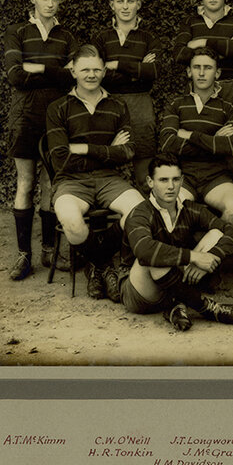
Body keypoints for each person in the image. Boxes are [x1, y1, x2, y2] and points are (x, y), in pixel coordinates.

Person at [45, 45, 146, 300]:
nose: (91, 74)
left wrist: (86, 148)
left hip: (109, 179)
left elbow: (129, 151)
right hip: (71, 181)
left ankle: (95, 264)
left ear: (104, 71)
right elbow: (60, 160)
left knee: (141, 212)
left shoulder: (118, 105)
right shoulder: (57, 108)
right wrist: (108, 151)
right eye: (85, 69)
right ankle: (103, 266)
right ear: (73, 71)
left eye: (96, 69)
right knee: (71, 220)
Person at [121, 154, 233, 332]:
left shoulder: (189, 209)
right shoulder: (140, 213)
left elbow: (232, 234)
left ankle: (177, 305)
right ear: (150, 182)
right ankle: (209, 308)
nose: (171, 186)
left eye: (175, 179)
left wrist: (212, 255)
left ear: (182, 180)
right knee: (154, 257)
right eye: (163, 180)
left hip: (175, 281)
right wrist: (196, 257)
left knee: (216, 232)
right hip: (140, 293)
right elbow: (144, 251)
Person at [3, 0, 77, 281]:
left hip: (56, 119)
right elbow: (14, 75)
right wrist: (52, 70)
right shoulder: (17, 32)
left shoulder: (67, 36)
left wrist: (37, 67)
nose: (50, 3)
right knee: (25, 183)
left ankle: (49, 249)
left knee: (50, 184)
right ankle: (24, 255)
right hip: (25, 117)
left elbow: (71, 78)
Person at [158, 47, 233, 226]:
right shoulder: (176, 104)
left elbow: (230, 146)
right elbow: (167, 143)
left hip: (216, 177)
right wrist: (213, 140)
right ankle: (189, 252)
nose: (202, 73)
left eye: (208, 67)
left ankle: (211, 248)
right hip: (183, 176)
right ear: (189, 71)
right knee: (168, 210)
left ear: (217, 72)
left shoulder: (229, 108)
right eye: (197, 67)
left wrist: (189, 135)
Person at [91, 0, 162, 192]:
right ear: (112, 5)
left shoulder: (149, 38)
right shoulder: (101, 38)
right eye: (120, 1)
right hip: (108, 105)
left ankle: (144, 221)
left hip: (141, 107)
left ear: (138, 4)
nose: (125, 6)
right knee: (106, 167)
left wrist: (116, 65)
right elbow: (96, 73)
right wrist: (138, 68)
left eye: (130, 1)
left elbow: (154, 72)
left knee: (144, 176)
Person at [172, 0, 233, 115]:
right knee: (197, 134)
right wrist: (226, 48)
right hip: (198, 88)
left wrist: (201, 42)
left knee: (230, 134)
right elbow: (179, 55)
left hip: (230, 88)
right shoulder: (189, 23)